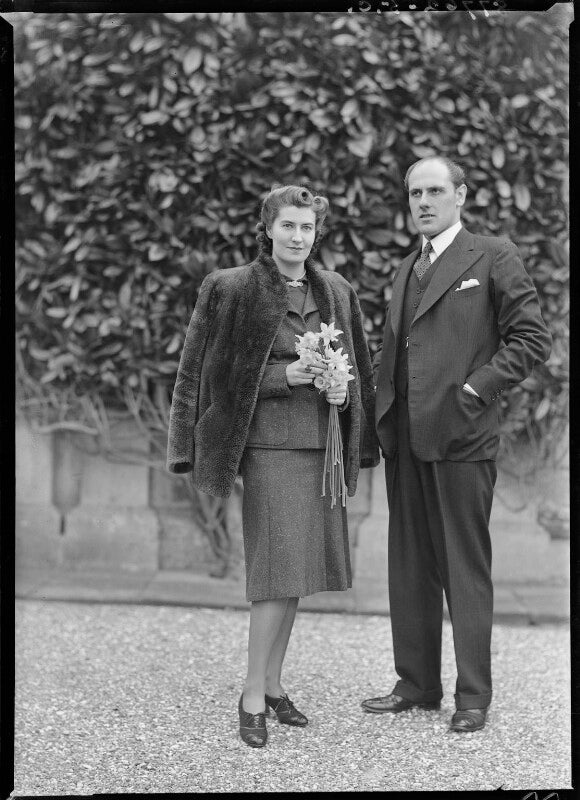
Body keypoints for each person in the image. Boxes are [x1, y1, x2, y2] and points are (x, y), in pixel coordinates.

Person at [167, 185, 379, 748]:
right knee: (274, 573)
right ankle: (251, 695)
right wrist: (281, 377)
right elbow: (203, 373)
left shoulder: (337, 290)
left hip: (322, 448)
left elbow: (360, 369)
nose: (298, 236)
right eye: (288, 225)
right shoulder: (230, 287)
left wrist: (344, 393)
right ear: (267, 229)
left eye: (307, 227)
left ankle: (274, 684)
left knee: (296, 575)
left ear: (316, 233)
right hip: (268, 449)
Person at [362, 156, 551, 733]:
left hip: (463, 438)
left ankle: (473, 697)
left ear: (461, 195)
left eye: (435, 191)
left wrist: (476, 388)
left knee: (465, 570)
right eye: (415, 193)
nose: (423, 202)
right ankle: (417, 684)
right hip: (405, 440)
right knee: (410, 567)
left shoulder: (492, 255)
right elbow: (398, 350)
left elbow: (531, 338)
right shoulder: (406, 268)